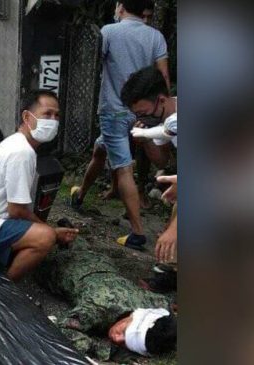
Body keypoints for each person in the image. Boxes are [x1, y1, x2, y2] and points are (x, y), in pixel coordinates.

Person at [70, 0, 170, 251]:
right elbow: (164, 77)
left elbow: (91, 66)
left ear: (121, 7)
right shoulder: (156, 37)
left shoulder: (108, 32)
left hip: (113, 110)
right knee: (101, 150)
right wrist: (160, 113)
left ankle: (137, 233)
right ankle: (81, 194)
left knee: (124, 167)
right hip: (142, 110)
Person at [0, 91, 79, 281]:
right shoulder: (21, 152)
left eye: (57, 115)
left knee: (36, 231)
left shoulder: (18, 144)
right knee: (44, 237)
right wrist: (53, 232)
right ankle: (5, 289)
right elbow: (17, 211)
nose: (53, 120)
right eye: (47, 114)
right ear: (27, 117)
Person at [37, 243, 177, 361]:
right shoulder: (101, 306)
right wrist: (105, 351)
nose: (116, 338)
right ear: (134, 316)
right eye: (124, 331)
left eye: (125, 343)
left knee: (75, 242)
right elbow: (63, 329)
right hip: (59, 264)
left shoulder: (152, 306)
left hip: (100, 260)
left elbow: (167, 308)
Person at [120, 66, 178, 291]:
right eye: (137, 115)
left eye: (144, 113)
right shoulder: (165, 121)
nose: (142, 118)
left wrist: (175, 230)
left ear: (161, 100)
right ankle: (172, 273)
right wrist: (144, 140)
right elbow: (161, 161)